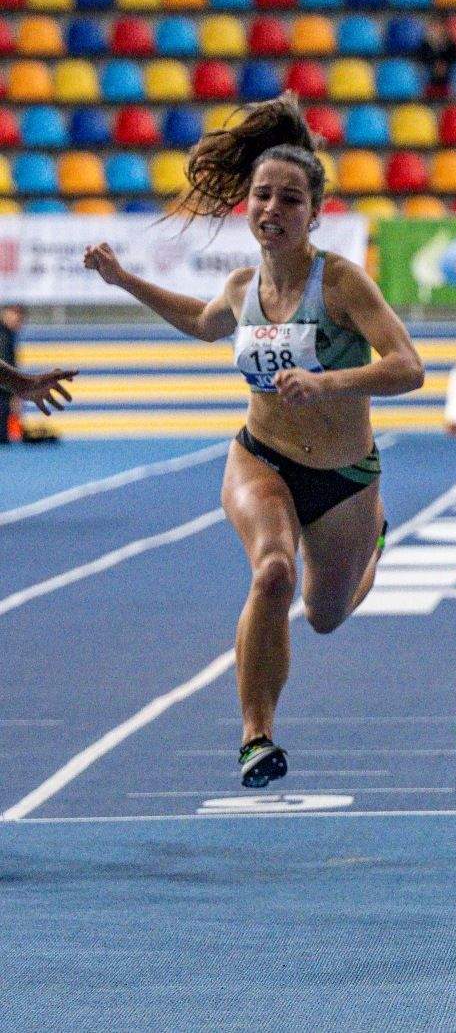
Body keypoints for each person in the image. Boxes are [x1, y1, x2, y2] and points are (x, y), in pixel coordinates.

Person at [81, 97, 424, 787]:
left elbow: (408, 367)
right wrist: (122, 280)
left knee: (327, 614)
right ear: (248, 204)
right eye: (262, 195)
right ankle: (255, 736)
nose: (272, 207)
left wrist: (328, 383)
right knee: (272, 571)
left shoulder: (342, 284)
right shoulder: (242, 288)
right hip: (259, 455)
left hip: (345, 477)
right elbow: (202, 322)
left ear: (314, 213)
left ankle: (374, 543)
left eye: (290, 199)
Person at [0, 304, 76, 440]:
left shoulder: (8, 335)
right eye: (16, 315)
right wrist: (19, 385)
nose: (18, 321)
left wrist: (19, 385)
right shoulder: (3, 335)